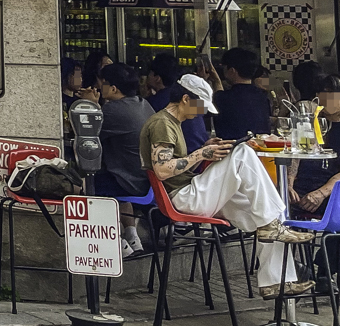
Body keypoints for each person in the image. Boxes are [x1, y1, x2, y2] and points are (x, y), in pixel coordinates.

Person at [140, 73, 312, 299]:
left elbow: (176, 166)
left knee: (266, 215)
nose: (201, 113)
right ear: (185, 99)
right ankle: (271, 227)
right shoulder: (163, 124)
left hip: (187, 192)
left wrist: (203, 150)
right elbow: (162, 170)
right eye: (200, 106)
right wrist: (201, 153)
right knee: (243, 152)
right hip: (182, 197)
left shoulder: (172, 123)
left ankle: (277, 282)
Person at [96, 62, 153, 255]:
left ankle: (117, 241)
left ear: (113, 88)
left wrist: (91, 105)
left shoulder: (112, 111)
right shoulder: (143, 104)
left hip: (128, 181)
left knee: (85, 185)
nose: (98, 87)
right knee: (112, 175)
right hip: (147, 180)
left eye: (102, 83)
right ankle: (133, 237)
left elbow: (87, 135)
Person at [292, 75, 340, 219]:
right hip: (302, 188)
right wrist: (288, 183)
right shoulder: (311, 122)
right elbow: (295, 151)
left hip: (332, 191)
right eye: (321, 93)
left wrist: (321, 193)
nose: (325, 99)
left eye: (332, 93)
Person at [147, 54, 208, 151]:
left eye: (149, 73)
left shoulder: (154, 102)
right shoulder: (191, 96)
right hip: (201, 150)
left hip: (181, 155)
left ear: (157, 78)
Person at [212, 48, 271, 138]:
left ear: (232, 71)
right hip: (260, 144)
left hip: (232, 146)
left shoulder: (224, 98)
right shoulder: (263, 97)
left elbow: (216, 99)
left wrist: (212, 81)